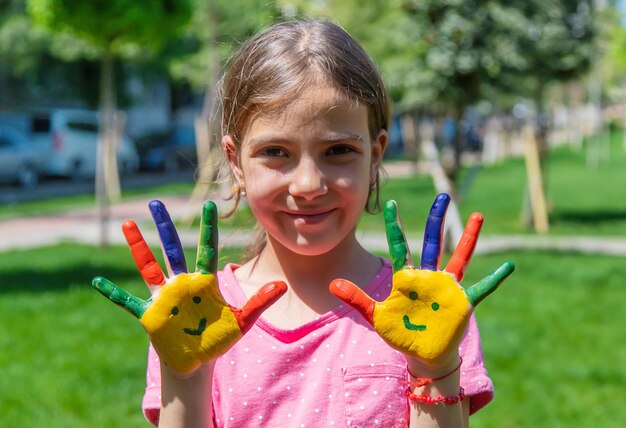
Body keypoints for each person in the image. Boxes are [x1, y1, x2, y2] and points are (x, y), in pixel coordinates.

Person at [92, 19, 514, 428]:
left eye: (338, 150)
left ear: (376, 155)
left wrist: (433, 367)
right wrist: (186, 376)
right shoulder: (193, 313)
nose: (309, 184)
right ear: (236, 161)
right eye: (276, 152)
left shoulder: (429, 308)